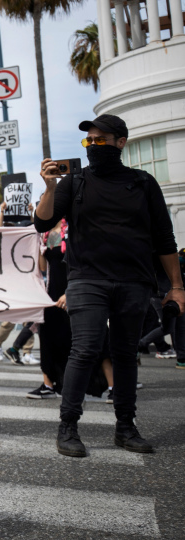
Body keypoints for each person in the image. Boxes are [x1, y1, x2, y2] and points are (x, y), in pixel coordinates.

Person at [34, 114, 184, 457]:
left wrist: (177, 286)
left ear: (120, 142)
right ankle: (68, 427)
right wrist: (50, 186)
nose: (93, 146)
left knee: (125, 355)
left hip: (133, 281)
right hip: (87, 279)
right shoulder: (74, 183)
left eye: (101, 140)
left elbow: (165, 239)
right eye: (89, 141)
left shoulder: (144, 183)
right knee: (85, 349)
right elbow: (42, 220)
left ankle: (125, 427)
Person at [27, 219, 71, 399]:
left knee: (69, 339)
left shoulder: (72, 228)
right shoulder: (45, 234)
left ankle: (69, 385)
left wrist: (70, 292)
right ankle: (48, 384)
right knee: (46, 337)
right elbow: (44, 267)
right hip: (51, 293)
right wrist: (38, 244)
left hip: (71, 290)